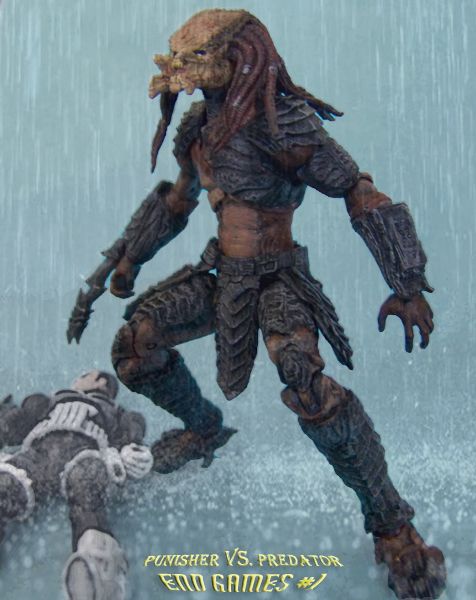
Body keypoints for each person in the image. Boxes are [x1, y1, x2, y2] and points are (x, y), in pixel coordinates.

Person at [68, 9, 446, 599]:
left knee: (308, 385)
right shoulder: (198, 127)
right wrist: (128, 260)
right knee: (135, 344)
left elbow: (357, 190)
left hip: (278, 282)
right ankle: (203, 428)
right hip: (221, 276)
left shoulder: (283, 124)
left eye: (197, 58)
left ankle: (393, 525)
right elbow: (177, 201)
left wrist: (407, 283)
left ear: (238, 56)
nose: (181, 70)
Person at [0, 369, 153, 600]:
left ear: (100, 382)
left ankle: (98, 564)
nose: (78, 379)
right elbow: (17, 424)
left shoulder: (113, 411)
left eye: (85, 375)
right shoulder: (52, 402)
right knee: (6, 483)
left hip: (84, 451)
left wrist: (132, 447)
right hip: (37, 454)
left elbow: (131, 426)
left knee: (87, 481)